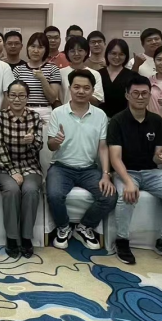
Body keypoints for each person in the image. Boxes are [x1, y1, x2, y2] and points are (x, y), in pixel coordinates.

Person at [108, 76, 162, 266]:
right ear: (127, 95)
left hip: (152, 172)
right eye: (135, 93)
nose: (140, 97)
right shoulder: (117, 121)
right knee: (127, 196)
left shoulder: (156, 120)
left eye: (144, 93)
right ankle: (122, 241)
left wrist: (161, 158)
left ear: (149, 95)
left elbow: (157, 156)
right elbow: (115, 158)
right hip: (126, 171)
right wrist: (128, 182)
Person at [46, 70, 117, 250]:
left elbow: (103, 147)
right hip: (61, 167)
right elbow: (51, 146)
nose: (81, 91)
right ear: (70, 88)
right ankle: (63, 227)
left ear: (92, 90)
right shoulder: (58, 113)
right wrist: (56, 141)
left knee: (109, 196)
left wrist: (106, 174)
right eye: (76, 87)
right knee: (54, 195)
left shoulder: (100, 115)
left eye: (86, 88)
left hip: (89, 169)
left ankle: (84, 227)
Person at [0, 81, 43, 259]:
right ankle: (12, 238)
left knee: (31, 190)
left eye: (21, 95)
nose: (17, 99)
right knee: (12, 190)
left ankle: (26, 237)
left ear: (27, 98)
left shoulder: (35, 117)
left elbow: (39, 147)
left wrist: (32, 142)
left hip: (30, 165)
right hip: (4, 166)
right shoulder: (0, 117)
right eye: (13, 95)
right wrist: (13, 170)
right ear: (7, 97)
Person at [13, 32, 62, 119]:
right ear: (28, 48)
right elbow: (13, 95)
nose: (36, 51)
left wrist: (42, 79)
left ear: (46, 50)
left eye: (40, 47)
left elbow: (52, 99)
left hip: (45, 112)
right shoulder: (18, 69)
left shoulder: (53, 69)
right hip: (22, 111)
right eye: (33, 46)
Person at [59, 36, 105, 107]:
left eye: (80, 50)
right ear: (67, 53)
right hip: (65, 112)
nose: (76, 54)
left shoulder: (95, 74)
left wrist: (83, 92)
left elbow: (97, 101)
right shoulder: (60, 73)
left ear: (86, 52)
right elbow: (56, 99)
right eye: (72, 51)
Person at [98, 39, 138, 119]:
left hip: (124, 120)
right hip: (99, 119)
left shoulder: (132, 76)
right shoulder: (97, 74)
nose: (117, 57)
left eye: (121, 54)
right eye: (113, 53)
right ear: (107, 54)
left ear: (126, 56)